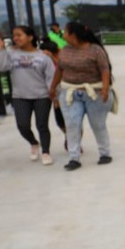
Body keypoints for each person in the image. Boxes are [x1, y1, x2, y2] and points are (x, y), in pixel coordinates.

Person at [49, 21, 114, 171]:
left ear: (73, 35)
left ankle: (105, 153)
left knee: (98, 124)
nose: (63, 34)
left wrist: (105, 88)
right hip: (70, 91)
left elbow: (105, 70)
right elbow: (59, 69)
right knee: (72, 125)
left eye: (65, 32)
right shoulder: (65, 50)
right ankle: (74, 157)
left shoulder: (95, 50)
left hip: (94, 92)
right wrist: (53, 87)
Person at [0, 26, 57, 165]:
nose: (16, 38)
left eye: (19, 35)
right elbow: (2, 67)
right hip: (20, 96)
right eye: (14, 35)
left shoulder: (43, 56)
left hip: (42, 95)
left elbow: (51, 77)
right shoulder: (11, 53)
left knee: (42, 125)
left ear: (30, 37)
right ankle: (34, 142)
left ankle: (46, 152)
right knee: (22, 125)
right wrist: (0, 50)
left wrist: (54, 95)